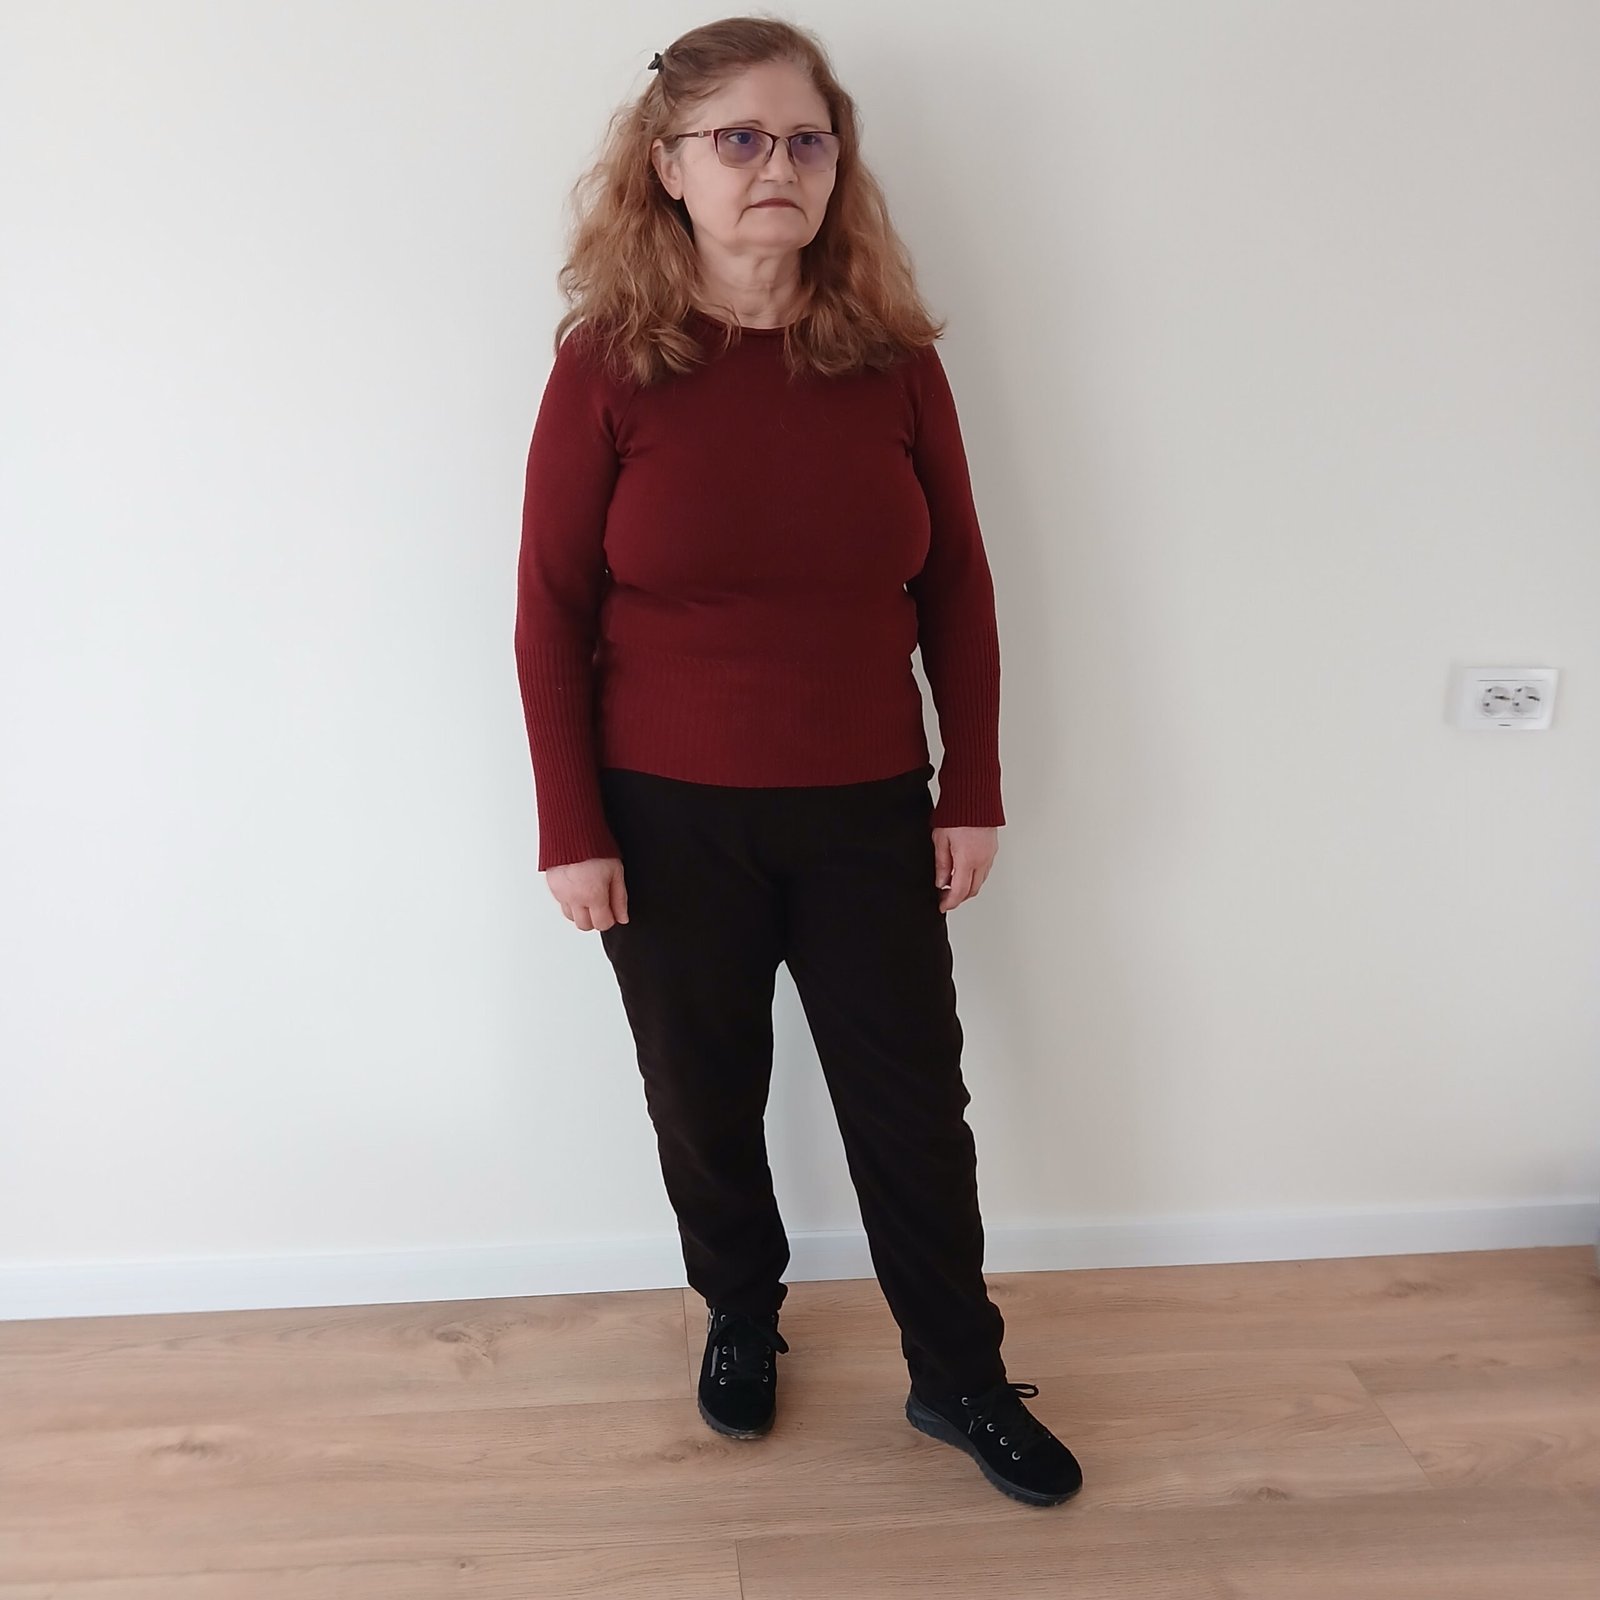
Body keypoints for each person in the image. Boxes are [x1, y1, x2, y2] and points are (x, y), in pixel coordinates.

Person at [512, 16, 1082, 1510]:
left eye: (807, 140)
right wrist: (573, 824)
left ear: (839, 165)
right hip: (663, 815)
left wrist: (971, 788)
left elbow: (957, 586)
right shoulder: (608, 365)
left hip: (865, 808)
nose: (778, 165)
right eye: (741, 138)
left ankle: (959, 1377)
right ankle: (741, 1316)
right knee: (705, 1099)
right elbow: (551, 607)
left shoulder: (893, 363)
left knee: (913, 1110)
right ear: (669, 166)